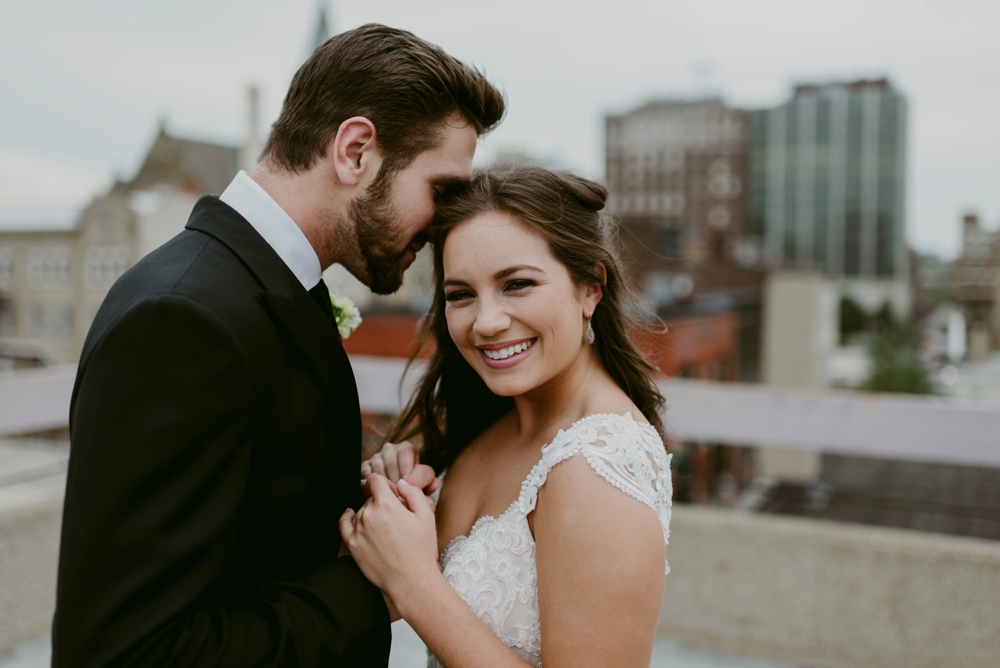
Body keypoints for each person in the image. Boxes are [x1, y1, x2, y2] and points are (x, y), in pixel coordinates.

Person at [53, 24, 503, 667]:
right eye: (442, 191)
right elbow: (128, 653)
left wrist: (368, 505)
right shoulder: (182, 320)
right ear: (355, 151)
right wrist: (377, 584)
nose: (444, 228)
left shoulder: (262, 286)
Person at [341, 166, 673, 667]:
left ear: (590, 288)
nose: (487, 322)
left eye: (516, 284)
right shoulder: (490, 426)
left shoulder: (598, 467)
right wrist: (398, 506)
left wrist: (412, 582)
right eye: (461, 295)